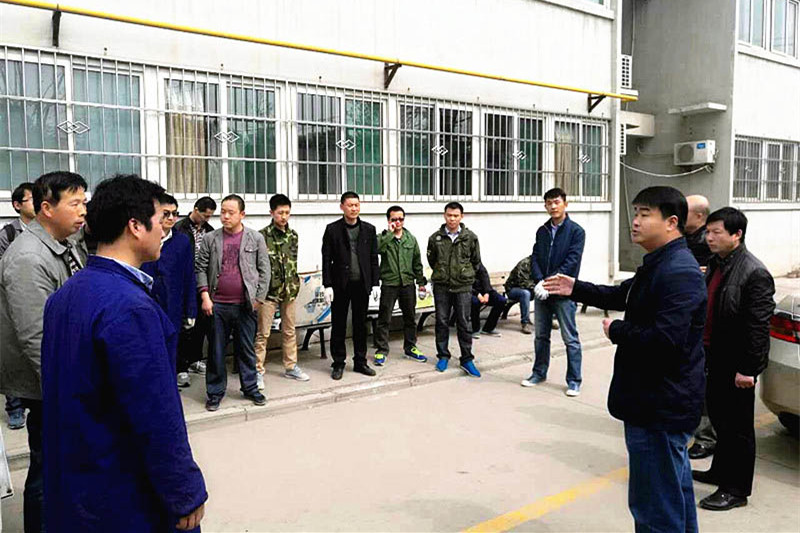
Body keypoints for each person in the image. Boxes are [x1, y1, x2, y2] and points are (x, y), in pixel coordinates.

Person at [41, 174, 207, 532]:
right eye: (160, 219)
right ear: (135, 226)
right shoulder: (129, 308)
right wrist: (184, 491)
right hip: (121, 495)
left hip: (75, 488)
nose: (165, 228)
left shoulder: (66, 294)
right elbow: (155, 414)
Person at [544, 186, 706, 533]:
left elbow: (666, 341)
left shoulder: (679, 271)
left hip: (659, 405)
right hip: (654, 402)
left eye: (645, 214)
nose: (635, 221)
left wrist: (618, 330)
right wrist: (576, 287)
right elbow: (623, 295)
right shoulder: (659, 262)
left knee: (655, 506)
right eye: (635, 213)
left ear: (671, 222)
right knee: (672, 494)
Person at [0, 171, 88, 533]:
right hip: (46, 383)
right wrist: (68, 390)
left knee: (58, 464)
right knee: (46, 468)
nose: (83, 211)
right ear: (47, 208)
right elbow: (36, 338)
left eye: (84, 202)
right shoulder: (28, 257)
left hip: (62, 372)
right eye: (75, 203)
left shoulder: (64, 245)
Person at [692, 207, 775, 511]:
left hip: (736, 363)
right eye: (707, 231)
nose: (709, 237)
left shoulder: (754, 273)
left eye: (716, 232)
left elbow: (758, 327)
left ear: (736, 235)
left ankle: (736, 490)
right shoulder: (717, 263)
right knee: (720, 420)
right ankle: (720, 472)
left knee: (737, 428)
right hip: (713, 356)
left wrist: (748, 369)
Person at [196, 194, 269, 411]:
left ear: (242, 214)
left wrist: (258, 299)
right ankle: (215, 392)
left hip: (246, 304)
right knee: (216, 351)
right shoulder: (211, 238)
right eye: (223, 212)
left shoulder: (255, 238)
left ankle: (250, 387)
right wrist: (205, 296)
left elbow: (265, 271)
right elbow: (200, 268)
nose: (225, 217)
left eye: (231, 213)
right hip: (217, 304)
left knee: (246, 349)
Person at [521, 188, 585, 397]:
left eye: (557, 202)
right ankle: (538, 373)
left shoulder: (576, 231)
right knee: (541, 336)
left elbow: (572, 261)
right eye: (549, 203)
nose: (553, 206)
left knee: (570, 339)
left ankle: (574, 381)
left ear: (565, 203)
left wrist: (549, 283)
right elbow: (535, 257)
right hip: (543, 292)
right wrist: (539, 280)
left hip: (564, 292)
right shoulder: (543, 230)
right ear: (545, 206)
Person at [141, 194, 198, 388]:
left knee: (171, 347)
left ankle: (169, 385)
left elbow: (189, 276)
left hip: (172, 304)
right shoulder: (144, 237)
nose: (171, 218)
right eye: (166, 213)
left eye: (175, 213)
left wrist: (191, 310)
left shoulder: (182, 241)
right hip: (146, 303)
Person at [321, 191, 380, 380]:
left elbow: (373, 258)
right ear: (342, 207)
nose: (354, 208)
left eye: (357, 205)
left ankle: (360, 361)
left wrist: (375, 283)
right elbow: (326, 258)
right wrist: (327, 284)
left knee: (360, 324)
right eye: (350, 205)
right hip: (340, 284)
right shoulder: (332, 229)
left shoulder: (369, 229)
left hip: (361, 284)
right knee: (339, 324)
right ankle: (338, 362)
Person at [254, 194, 309, 389]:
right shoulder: (261, 237)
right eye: (280, 213)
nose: (284, 216)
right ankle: (257, 370)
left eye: (287, 212)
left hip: (289, 291)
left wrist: (294, 285)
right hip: (268, 293)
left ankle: (291, 366)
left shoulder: (293, 236)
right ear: (271, 213)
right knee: (263, 333)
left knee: (289, 330)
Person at [427, 201, 482, 378]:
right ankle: (443, 356)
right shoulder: (435, 238)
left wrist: (464, 274)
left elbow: (476, 261)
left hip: (463, 286)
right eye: (449, 215)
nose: (452, 219)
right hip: (442, 286)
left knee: (464, 322)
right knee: (442, 321)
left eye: (456, 216)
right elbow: (432, 261)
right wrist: (443, 272)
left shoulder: (470, 237)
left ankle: (466, 359)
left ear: (461, 217)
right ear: (444, 216)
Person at [373, 205, 428, 366]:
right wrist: (389, 234)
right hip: (389, 283)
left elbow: (417, 262)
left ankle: (410, 347)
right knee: (384, 318)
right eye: (394, 219)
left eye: (400, 219)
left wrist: (421, 282)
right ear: (388, 220)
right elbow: (375, 249)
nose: (398, 222)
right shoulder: (383, 237)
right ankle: (382, 349)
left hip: (407, 283)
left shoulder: (410, 239)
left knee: (410, 317)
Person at [0, 182, 35, 430]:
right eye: (31, 199)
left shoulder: (47, 231)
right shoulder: (9, 234)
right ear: (17, 205)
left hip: (36, 298)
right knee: (12, 353)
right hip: (12, 301)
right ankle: (14, 408)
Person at [684, 194, 716, 460]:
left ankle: (706, 437)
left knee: (705, 383)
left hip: (707, 325)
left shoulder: (709, 242)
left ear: (698, 216)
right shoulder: (685, 238)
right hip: (689, 320)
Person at [173, 196, 217, 377]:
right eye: (205, 215)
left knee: (202, 324)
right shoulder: (180, 229)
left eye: (210, 216)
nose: (207, 219)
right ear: (196, 210)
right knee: (185, 325)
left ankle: (195, 359)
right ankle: (181, 366)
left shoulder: (209, 231)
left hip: (203, 281)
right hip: (185, 281)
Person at [471, 263, 507, 338]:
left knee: (501, 300)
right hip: (470, 292)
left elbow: (485, 279)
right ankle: (475, 329)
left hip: (484, 291)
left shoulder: (478, 264)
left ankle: (488, 328)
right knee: (475, 302)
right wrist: (477, 294)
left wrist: (486, 293)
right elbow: (465, 284)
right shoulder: (462, 264)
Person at [504, 255, 536, 334]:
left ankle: (547, 320)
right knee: (525, 293)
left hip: (530, 288)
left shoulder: (540, 264)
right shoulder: (525, 263)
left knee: (547, 291)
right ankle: (525, 322)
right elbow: (523, 282)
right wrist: (538, 287)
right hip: (513, 289)